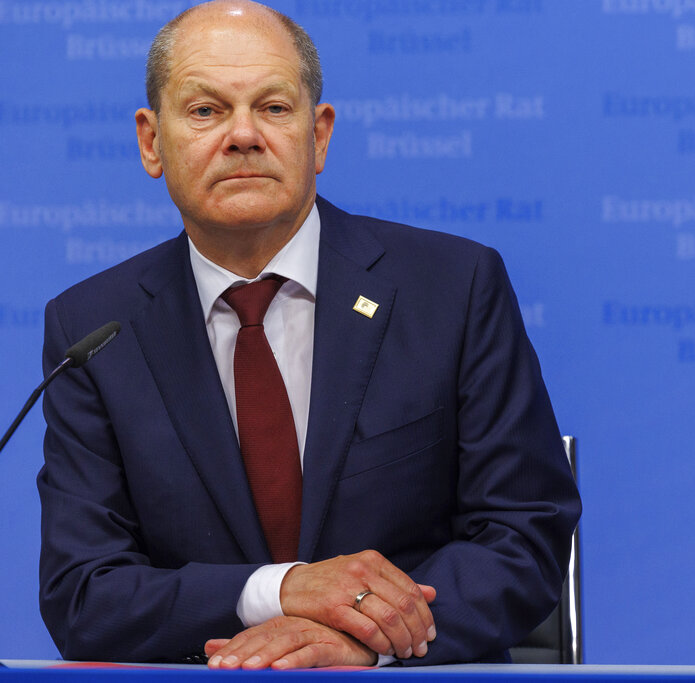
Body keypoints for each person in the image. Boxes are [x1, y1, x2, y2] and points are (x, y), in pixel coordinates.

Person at [37, 0, 580, 669]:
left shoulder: (454, 289)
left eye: (273, 107)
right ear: (152, 141)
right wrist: (279, 592)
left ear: (318, 136)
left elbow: (522, 536)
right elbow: (84, 593)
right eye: (206, 110)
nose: (243, 135)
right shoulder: (93, 329)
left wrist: (361, 640)